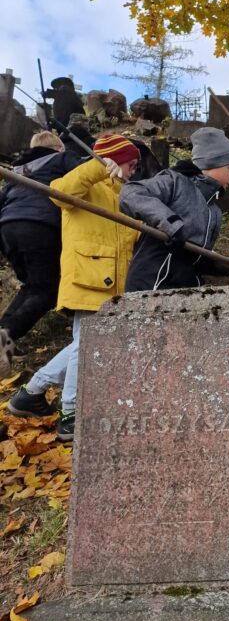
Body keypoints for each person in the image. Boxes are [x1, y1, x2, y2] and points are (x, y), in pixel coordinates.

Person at [7, 134, 141, 442]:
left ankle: (33, 392)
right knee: (88, 343)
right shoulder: (86, 183)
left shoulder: (123, 193)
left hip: (113, 282)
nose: (134, 171)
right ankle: (70, 414)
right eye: (130, 164)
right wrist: (96, 167)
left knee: (86, 342)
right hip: (88, 275)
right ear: (114, 160)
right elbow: (60, 192)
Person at [120, 127, 229, 291]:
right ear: (211, 163)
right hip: (151, 283)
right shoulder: (174, 181)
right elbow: (130, 194)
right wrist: (170, 222)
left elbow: (200, 258)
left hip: (185, 289)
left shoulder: (214, 212)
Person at [0, 131, 85, 374]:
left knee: (32, 285)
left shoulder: (19, 172)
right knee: (48, 290)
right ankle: (11, 332)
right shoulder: (62, 159)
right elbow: (84, 175)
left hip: (8, 226)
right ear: (58, 147)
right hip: (40, 224)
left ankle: (4, 332)